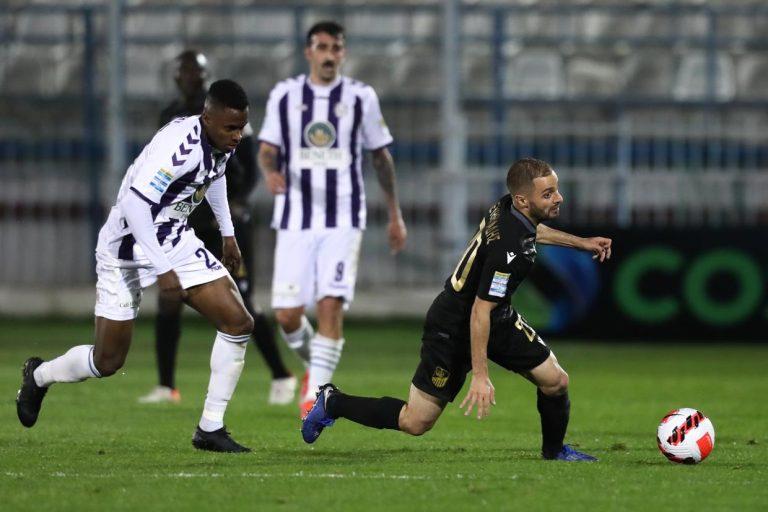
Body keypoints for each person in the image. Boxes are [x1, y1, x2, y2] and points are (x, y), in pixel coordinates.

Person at [301, 158, 612, 462]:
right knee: (416, 421)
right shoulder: (509, 253)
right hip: (454, 325)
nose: (559, 198)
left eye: (555, 190)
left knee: (555, 381)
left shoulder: (507, 206)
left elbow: (532, 231)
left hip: (495, 317)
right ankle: (333, 402)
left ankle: (554, 452)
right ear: (522, 200)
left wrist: (581, 243)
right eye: (548, 194)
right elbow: (479, 311)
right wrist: (480, 375)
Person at [16, 80, 256, 453]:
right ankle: (40, 375)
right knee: (108, 360)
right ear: (207, 118)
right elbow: (134, 205)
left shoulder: (220, 142)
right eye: (230, 128)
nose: (237, 135)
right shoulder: (179, 148)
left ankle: (210, 428)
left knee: (238, 323)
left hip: (174, 238)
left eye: (241, 127)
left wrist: (228, 234)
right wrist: (163, 269)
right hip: (126, 249)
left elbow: (215, 176)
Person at [257, 21, 407, 417]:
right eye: (321, 47)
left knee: (330, 304)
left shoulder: (361, 97)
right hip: (295, 217)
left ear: (343, 52)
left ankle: (315, 396)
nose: (328, 55)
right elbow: (267, 149)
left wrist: (395, 214)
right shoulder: (285, 95)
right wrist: (269, 172)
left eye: (335, 48)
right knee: (287, 315)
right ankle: (316, 368)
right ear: (308, 52)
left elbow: (381, 157)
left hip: (343, 217)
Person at [138, 50, 296, 406]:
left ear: (206, 75)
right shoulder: (170, 115)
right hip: (185, 224)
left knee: (241, 300)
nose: (189, 77)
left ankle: (281, 375)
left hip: (224, 223)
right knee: (168, 298)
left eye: (196, 71)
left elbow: (248, 168)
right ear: (175, 76)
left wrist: (235, 206)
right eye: (183, 71)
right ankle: (166, 387)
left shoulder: (228, 113)